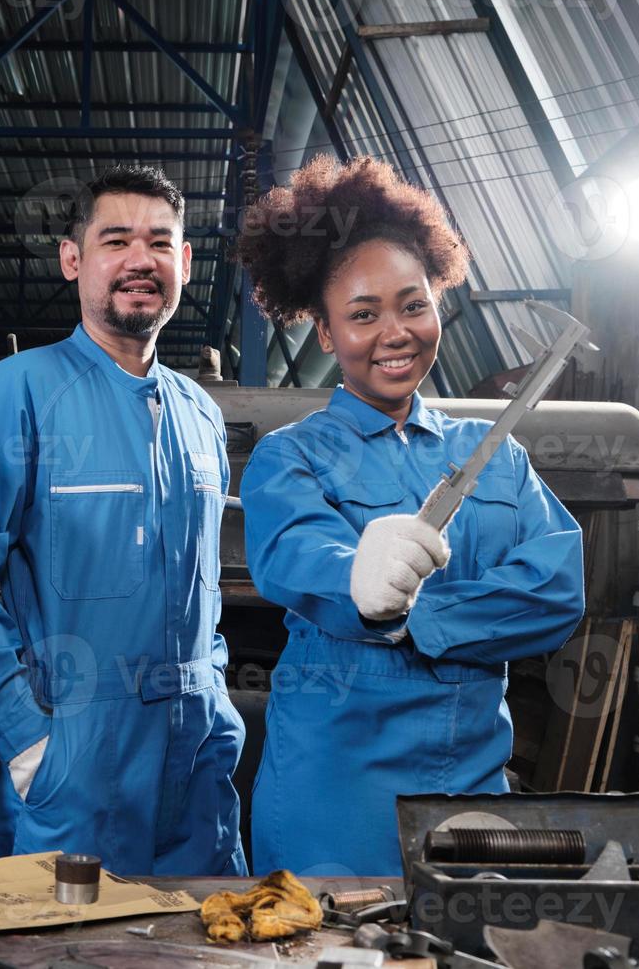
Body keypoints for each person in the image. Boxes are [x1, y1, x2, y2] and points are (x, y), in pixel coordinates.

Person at [235, 155, 585, 876]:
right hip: (335, 805)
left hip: (472, 796)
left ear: (437, 303)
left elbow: (556, 590)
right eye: (363, 315)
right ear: (327, 335)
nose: (394, 331)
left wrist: (415, 621)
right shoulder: (288, 458)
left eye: (412, 303)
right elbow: (299, 562)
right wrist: (357, 583)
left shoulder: (495, 456)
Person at [0, 165, 246, 876]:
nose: (140, 260)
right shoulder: (19, 393)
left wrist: (213, 692)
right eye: (115, 240)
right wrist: (29, 741)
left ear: (185, 263)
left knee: (198, 949)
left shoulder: (200, 414)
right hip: (76, 761)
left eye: (160, 243)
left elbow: (205, 593)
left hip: (196, 760)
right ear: (74, 260)